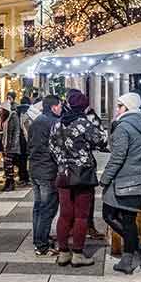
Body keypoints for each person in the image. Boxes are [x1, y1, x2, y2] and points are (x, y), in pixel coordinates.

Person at [100, 92, 141, 275]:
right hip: (139, 180)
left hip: (122, 180)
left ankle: (133, 254)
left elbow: (117, 157)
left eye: (119, 106)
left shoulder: (123, 127)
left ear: (127, 107)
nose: (117, 109)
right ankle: (137, 251)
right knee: (128, 219)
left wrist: (105, 178)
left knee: (109, 215)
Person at [49, 91, 106, 267]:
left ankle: (63, 252)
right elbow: (101, 141)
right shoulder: (84, 123)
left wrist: (62, 162)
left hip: (63, 174)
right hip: (83, 173)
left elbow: (51, 148)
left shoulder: (57, 124)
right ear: (84, 106)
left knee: (65, 215)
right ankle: (78, 254)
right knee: (81, 216)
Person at [28, 95, 62, 256]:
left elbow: (30, 144)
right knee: (47, 208)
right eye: (60, 106)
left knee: (38, 207)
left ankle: (38, 239)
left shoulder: (36, 122)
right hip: (47, 170)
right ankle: (42, 245)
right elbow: (57, 148)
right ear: (54, 107)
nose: (61, 108)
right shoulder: (54, 123)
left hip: (34, 168)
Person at [0, 101, 21, 192]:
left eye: (2, 109)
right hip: (5, 144)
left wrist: (13, 144)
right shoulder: (4, 118)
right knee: (6, 164)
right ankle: (8, 182)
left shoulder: (13, 116)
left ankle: (10, 182)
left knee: (9, 164)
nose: (0, 111)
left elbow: (16, 132)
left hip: (11, 145)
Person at [14, 97, 31, 187]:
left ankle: (23, 177)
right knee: (27, 159)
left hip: (19, 139)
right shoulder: (30, 111)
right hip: (28, 138)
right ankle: (26, 178)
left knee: (21, 159)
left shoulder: (17, 111)